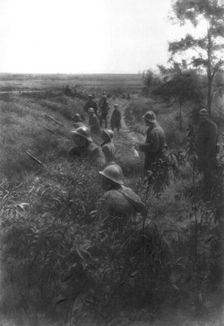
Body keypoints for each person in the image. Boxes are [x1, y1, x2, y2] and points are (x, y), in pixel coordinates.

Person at [97, 164, 147, 230]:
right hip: (137, 224)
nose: (102, 180)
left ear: (109, 181)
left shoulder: (108, 195)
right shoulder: (128, 190)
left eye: (104, 178)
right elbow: (142, 208)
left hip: (124, 230)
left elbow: (101, 218)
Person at [196, 108, 218, 193]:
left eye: (204, 116)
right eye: (201, 116)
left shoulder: (212, 126)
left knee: (210, 171)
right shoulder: (201, 125)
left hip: (210, 153)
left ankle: (211, 190)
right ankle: (206, 188)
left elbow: (212, 142)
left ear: (207, 116)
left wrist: (207, 154)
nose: (202, 118)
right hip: (202, 153)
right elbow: (199, 138)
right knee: (204, 171)